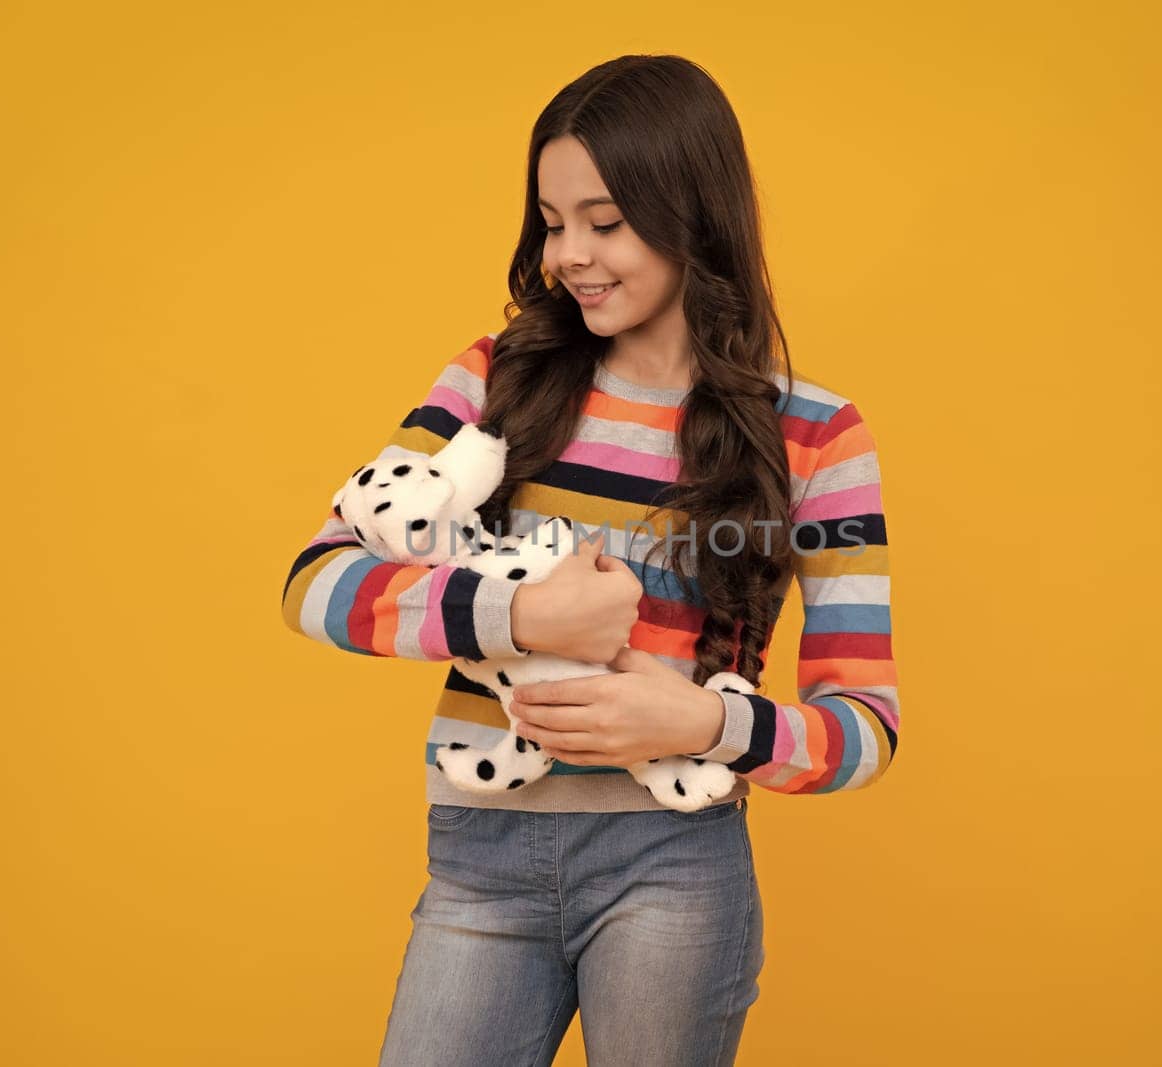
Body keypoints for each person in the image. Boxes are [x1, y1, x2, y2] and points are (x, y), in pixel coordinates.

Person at [280, 53, 900, 1067]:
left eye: (604, 222)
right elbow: (317, 578)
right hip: (479, 854)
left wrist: (699, 717)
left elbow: (864, 728)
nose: (571, 253)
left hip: (674, 867)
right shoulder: (496, 377)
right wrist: (520, 619)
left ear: (692, 213)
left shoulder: (816, 437)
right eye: (553, 221)